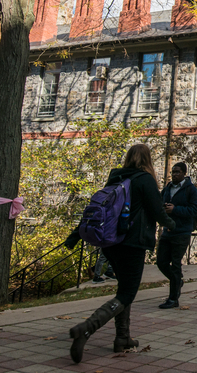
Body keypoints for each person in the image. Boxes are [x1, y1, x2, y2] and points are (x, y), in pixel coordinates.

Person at [65, 143, 175, 364]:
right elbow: (156, 210)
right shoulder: (145, 180)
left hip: (110, 242)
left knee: (124, 289)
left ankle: (122, 337)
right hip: (132, 244)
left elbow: (101, 205)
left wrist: (75, 234)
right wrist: (172, 224)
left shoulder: (116, 177)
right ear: (147, 160)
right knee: (127, 293)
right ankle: (86, 328)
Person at [156, 161, 197, 309]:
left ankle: (173, 298)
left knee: (176, 264)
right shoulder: (168, 189)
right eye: (173, 172)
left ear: (184, 173)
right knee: (161, 262)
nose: (174, 175)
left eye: (177, 172)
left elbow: (194, 210)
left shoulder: (191, 190)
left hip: (182, 232)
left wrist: (175, 209)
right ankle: (177, 281)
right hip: (168, 231)